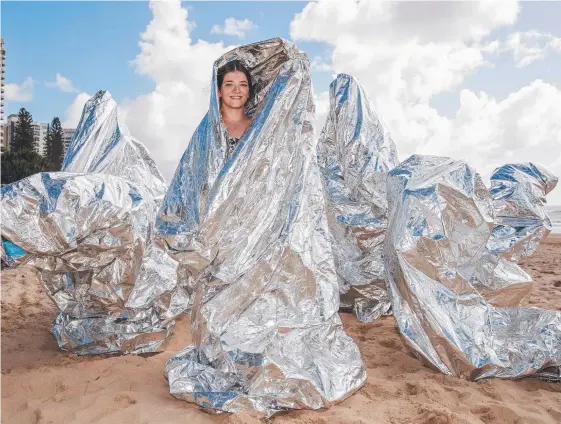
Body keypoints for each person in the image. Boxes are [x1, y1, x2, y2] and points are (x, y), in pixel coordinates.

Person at [216, 60, 254, 156]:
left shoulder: (260, 126)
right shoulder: (207, 130)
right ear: (218, 91)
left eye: (243, 85)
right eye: (229, 84)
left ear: (248, 91)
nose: (236, 90)